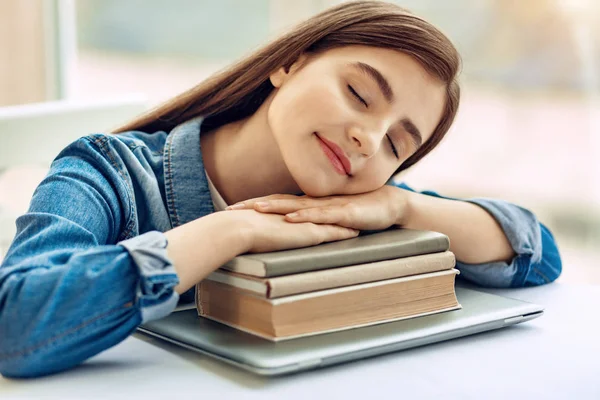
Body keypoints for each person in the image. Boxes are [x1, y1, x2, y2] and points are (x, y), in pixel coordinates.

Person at [0, 1, 561, 378]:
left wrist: (403, 203)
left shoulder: (361, 201)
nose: (369, 139)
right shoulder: (108, 171)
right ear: (289, 64)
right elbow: (15, 323)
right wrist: (232, 229)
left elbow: (540, 253)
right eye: (360, 96)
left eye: (397, 146)